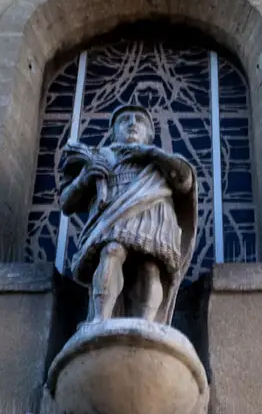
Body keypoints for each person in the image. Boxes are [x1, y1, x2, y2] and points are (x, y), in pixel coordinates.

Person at [58, 105, 198, 326]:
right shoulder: (100, 156)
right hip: (111, 218)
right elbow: (66, 203)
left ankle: (147, 326)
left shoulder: (159, 160)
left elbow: (185, 180)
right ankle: (99, 319)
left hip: (152, 216)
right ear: (113, 132)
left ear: (150, 135)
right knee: (112, 251)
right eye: (124, 120)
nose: (132, 123)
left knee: (150, 267)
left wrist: (151, 153)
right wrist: (84, 178)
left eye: (140, 120)